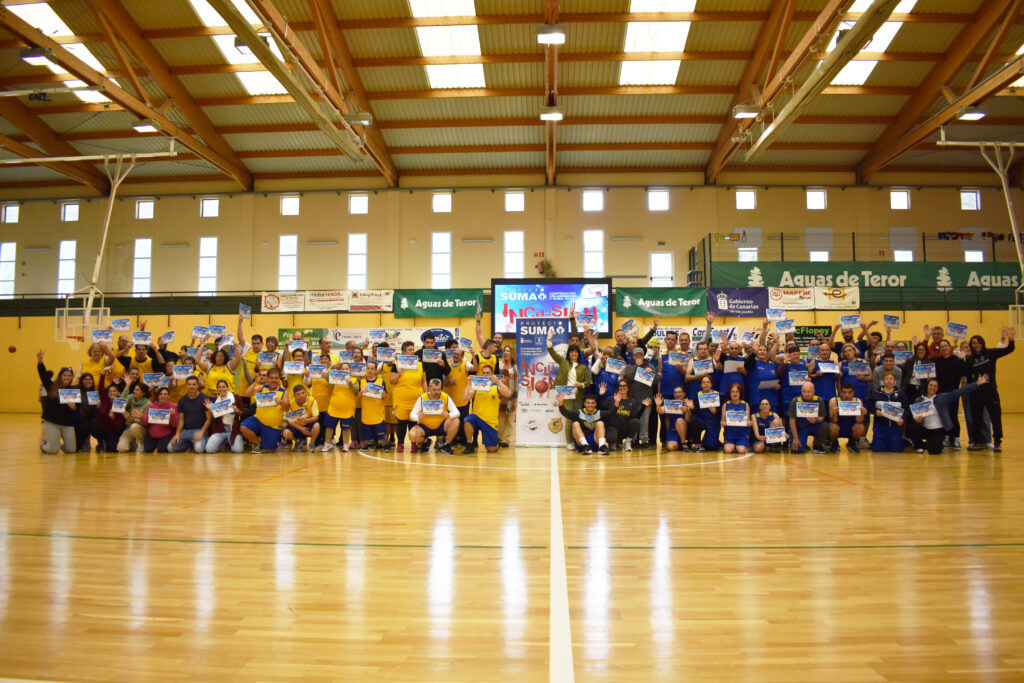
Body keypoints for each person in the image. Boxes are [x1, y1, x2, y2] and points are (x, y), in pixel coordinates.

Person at [912, 375, 990, 454]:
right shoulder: (919, 400)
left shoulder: (942, 397)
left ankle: (934, 444)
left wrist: (977, 383)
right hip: (925, 429)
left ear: (937, 388)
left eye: (935, 386)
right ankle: (921, 446)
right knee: (911, 429)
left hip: (937, 430)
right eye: (931, 385)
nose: (932, 387)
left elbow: (960, 391)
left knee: (933, 451)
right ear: (927, 386)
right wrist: (917, 420)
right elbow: (915, 418)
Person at [965, 329, 1014, 451]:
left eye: (979, 342)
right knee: (976, 418)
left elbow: (1009, 349)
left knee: (995, 417)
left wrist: (1011, 340)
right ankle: (977, 442)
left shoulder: (991, 353)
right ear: (971, 345)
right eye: (974, 343)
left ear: (983, 343)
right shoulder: (970, 359)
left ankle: (997, 442)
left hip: (991, 392)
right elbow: (967, 376)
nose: (977, 345)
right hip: (976, 393)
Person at [548, 327, 592, 448]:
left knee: (576, 419)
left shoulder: (583, 367)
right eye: (571, 352)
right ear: (569, 353)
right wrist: (549, 340)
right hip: (565, 394)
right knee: (568, 419)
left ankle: (578, 441)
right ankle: (569, 442)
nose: (573, 354)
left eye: (575, 352)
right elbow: (552, 352)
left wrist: (581, 384)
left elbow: (587, 381)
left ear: (578, 354)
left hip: (578, 396)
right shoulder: (563, 362)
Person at [462, 364, 512, 454]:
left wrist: (498, 381)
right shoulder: (477, 385)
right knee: (467, 420)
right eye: (483, 373)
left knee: (491, 450)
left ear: (492, 374)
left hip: (490, 422)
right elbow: (465, 398)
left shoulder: (496, 386)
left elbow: (508, 394)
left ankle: (493, 442)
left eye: (488, 373)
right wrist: (468, 383)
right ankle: (469, 444)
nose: (485, 375)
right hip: (477, 417)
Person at [37, 350, 78, 454]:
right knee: (53, 450)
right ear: (60, 376)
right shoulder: (51, 386)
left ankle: (55, 443)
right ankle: (45, 445)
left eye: (69, 375)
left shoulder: (74, 391)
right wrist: (40, 361)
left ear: (72, 378)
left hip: (67, 424)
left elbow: (77, 409)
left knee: (71, 450)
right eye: (64, 375)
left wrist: (74, 407)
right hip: (52, 422)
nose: (67, 377)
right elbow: (43, 375)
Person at [240, 367, 290, 453]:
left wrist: (280, 401)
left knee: (269, 450)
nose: (273, 380)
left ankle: (265, 440)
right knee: (243, 427)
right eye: (271, 378)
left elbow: (286, 407)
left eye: (276, 378)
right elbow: (247, 393)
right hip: (258, 420)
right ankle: (258, 444)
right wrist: (255, 381)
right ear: (267, 379)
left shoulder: (283, 391)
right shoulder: (261, 387)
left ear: (279, 379)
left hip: (273, 426)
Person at [408, 378, 461, 454]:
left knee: (456, 421)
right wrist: (417, 417)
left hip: (441, 426)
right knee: (412, 435)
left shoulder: (445, 397)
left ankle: (446, 445)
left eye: (439, 389)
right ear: (429, 388)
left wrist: (449, 414)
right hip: (425, 427)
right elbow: (412, 415)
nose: (437, 392)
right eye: (434, 390)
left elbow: (457, 412)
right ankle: (426, 442)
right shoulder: (422, 398)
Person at [391, 341, 426, 453]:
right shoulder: (396, 365)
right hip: (401, 399)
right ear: (404, 352)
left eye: (413, 350)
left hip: (416, 399)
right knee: (401, 423)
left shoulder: (420, 365)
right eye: (410, 350)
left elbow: (424, 382)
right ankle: (400, 443)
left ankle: (413, 444)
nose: (412, 352)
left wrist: (427, 396)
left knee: (413, 422)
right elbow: (392, 381)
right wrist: (399, 373)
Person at [624, 346, 659, 448]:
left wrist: (651, 373)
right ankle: (633, 440)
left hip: (646, 399)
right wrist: (637, 367)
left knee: (644, 421)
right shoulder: (629, 367)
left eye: (640, 355)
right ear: (633, 357)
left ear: (644, 356)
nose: (638, 357)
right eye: (636, 355)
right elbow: (628, 377)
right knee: (634, 420)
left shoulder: (650, 366)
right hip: (633, 399)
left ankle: (644, 440)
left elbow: (657, 380)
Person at [598, 378, 647, 451]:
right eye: (620, 386)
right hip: (612, 428)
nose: (622, 388)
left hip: (623, 428)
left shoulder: (632, 401)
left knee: (635, 422)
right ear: (618, 388)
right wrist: (600, 395)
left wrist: (643, 407)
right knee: (612, 439)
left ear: (628, 387)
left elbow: (635, 417)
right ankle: (613, 442)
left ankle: (627, 442)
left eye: (624, 386)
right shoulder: (612, 399)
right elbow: (600, 408)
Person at [867, 370, 908, 453]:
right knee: (878, 451)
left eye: (891, 378)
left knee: (897, 451)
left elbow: (906, 409)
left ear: (895, 381)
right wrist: (875, 411)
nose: (889, 380)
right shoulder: (876, 393)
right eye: (886, 378)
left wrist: (902, 419)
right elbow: (869, 406)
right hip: (880, 427)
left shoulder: (900, 393)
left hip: (895, 428)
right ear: (883, 381)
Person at [322, 363, 359, 452]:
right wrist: (332, 367)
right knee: (329, 427)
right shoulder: (336, 379)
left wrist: (349, 382)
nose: (345, 370)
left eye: (347, 368)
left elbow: (355, 390)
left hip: (347, 408)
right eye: (343, 368)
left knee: (345, 429)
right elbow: (326, 377)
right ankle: (327, 444)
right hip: (334, 407)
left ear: (350, 370)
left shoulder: (354, 380)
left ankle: (345, 445)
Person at [170, 376, 210, 453]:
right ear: (186, 385)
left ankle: (202, 440)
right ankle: (189, 444)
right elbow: (181, 420)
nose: (191, 387)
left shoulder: (204, 398)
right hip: (185, 431)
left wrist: (202, 432)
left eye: (194, 384)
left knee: (199, 450)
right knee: (170, 448)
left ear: (198, 385)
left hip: (198, 430)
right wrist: (177, 433)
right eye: (189, 384)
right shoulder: (182, 400)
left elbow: (209, 419)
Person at [204, 379, 245, 453]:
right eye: (219, 387)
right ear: (217, 389)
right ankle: (222, 442)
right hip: (220, 430)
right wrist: (211, 410)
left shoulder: (236, 398)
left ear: (227, 388)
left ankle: (230, 442)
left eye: (223, 387)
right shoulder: (217, 401)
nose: (222, 389)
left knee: (238, 450)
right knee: (209, 450)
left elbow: (243, 413)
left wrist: (237, 411)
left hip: (233, 430)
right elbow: (215, 418)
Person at [788, 381, 829, 454]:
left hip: (814, 426)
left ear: (813, 391)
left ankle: (817, 444)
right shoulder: (795, 401)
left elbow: (822, 417)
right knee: (796, 450)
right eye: (804, 392)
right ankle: (802, 443)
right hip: (801, 428)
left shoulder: (819, 400)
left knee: (825, 425)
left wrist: (815, 420)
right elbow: (792, 421)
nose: (806, 394)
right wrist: (795, 438)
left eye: (809, 392)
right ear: (801, 391)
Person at [355, 362, 388, 449]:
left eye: (372, 369)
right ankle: (371, 443)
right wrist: (361, 392)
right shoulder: (361, 382)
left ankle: (383, 444)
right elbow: (357, 396)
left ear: (376, 370)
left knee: (382, 442)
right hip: (366, 413)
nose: (369, 370)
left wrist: (383, 393)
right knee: (369, 443)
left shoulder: (381, 382)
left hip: (378, 413)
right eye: (368, 368)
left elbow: (385, 396)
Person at [828, 382, 866, 454]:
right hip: (838, 426)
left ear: (853, 393)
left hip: (850, 427)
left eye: (849, 392)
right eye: (844, 392)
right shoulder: (834, 401)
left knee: (860, 427)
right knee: (832, 426)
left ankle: (852, 442)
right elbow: (833, 420)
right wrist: (835, 413)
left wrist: (862, 413)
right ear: (840, 392)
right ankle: (834, 442)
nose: (847, 395)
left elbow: (859, 421)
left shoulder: (857, 401)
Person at [140, 386, 179, 453]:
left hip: (166, 434)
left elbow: (175, 425)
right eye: (161, 394)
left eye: (165, 394)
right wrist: (141, 417)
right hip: (152, 433)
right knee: (147, 450)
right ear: (158, 396)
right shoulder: (151, 406)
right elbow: (146, 422)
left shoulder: (173, 406)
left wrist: (173, 415)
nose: (163, 396)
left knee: (162, 449)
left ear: (168, 396)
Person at [281, 384, 321, 450]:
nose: (301, 396)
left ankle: (312, 444)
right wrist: (301, 429)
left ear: (306, 392)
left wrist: (306, 420)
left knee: (317, 426)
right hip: (296, 426)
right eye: (298, 394)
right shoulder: (291, 403)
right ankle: (298, 441)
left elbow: (316, 417)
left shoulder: (312, 401)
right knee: (285, 432)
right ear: (294, 395)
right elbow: (288, 420)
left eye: (303, 393)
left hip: (308, 424)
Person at [654, 385, 693, 451]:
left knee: (679, 420)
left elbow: (688, 420)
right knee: (671, 447)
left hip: (685, 429)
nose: (677, 394)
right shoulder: (671, 403)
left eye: (679, 392)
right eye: (676, 392)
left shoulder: (687, 404)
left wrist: (687, 411)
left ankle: (683, 443)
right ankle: (681, 445)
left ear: (684, 394)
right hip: (673, 430)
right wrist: (658, 405)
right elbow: (660, 411)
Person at [91, 381, 126, 452]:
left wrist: (113, 418)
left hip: (114, 430)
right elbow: (100, 387)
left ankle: (106, 443)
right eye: (110, 391)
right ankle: (100, 442)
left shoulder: (120, 404)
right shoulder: (104, 401)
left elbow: (117, 426)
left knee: (112, 449)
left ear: (119, 393)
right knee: (96, 424)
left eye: (114, 391)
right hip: (103, 428)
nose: (112, 393)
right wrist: (102, 374)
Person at [116, 381, 151, 452]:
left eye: (137, 390)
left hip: (141, 428)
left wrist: (133, 420)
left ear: (143, 393)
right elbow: (121, 402)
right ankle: (132, 444)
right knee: (121, 448)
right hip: (129, 427)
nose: (134, 391)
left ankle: (142, 443)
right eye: (134, 389)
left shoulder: (148, 404)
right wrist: (127, 387)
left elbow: (146, 422)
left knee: (134, 426)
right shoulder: (131, 397)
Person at [691, 374, 722, 451]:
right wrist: (692, 408)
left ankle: (712, 441)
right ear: (701, 385)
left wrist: (716, 411)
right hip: (701, 420)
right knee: (694, 422)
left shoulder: (716, 395)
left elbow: (722, 411)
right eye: (703, 382)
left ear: (711, 384)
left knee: (710, 447)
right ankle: (697, 443)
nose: (706, 384)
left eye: (708, 382)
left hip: (713, 423)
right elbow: (695, 412)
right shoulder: (698, 395)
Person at [720, 382, 751, 454]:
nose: (735, 394)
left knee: (741, 450)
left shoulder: (745, 405)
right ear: (729, 393)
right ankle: (733, 445)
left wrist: (749, 423)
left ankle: (740, 445)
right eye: (733, 392)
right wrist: (725, 423)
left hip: (742, 434)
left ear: (740, 393)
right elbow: (722, 422)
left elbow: (749, 421)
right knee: (727, 450)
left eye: (737, 392)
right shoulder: (726, 405)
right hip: (729, 434)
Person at [74, 372, 98, 452]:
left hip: (88, 420)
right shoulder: (77, 390)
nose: (88, 381)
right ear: (82, 381)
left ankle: (87, 441)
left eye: (90, 379)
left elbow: (94, 411)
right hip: (77, 419)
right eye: (85, 379)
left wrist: (98, 406)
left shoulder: (94, 393)